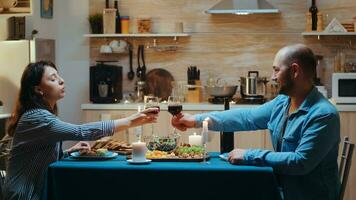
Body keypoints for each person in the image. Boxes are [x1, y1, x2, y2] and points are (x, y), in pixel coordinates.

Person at [172, 44, 340, 200]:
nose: (273, 77)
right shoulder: (283, 102)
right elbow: (247, 117)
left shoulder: (323, 115)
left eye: (276, 70)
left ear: (295, 71)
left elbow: (300, 162)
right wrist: (195, 120)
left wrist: (248, 155)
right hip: (283, 190)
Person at [2, 61, 159, 200]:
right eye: (53, 79)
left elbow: (41, 158)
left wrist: (69, 152)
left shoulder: (41, 115)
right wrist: (130, 121)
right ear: (38, 90)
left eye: (58, 76)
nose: (62, 81)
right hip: (24, 195)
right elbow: (81, 131)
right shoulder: (36, 117)